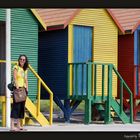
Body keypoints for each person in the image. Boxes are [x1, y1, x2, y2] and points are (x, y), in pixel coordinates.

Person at [10, 54, 28, 131]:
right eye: (21, 59)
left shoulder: (25, 69)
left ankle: (19, 126)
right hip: (17, 89)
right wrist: (17, 87)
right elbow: (14, 77)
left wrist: (27, 88)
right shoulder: (16, 67)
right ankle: (12, 126)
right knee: (15, 107)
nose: (22, 61)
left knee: (21, 108)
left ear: (25, 61)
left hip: (23, 89)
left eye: (24, 60)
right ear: (19, 60)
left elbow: (26, 79)